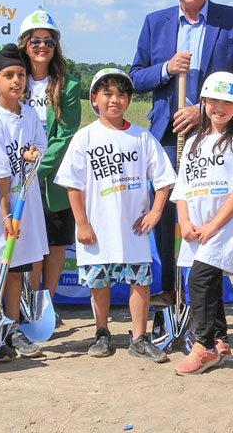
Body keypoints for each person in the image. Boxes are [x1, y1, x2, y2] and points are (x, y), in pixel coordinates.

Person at [129, 0, 233, 305]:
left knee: (210, 208)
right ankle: (170, 288)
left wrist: (204, 111)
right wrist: (167, 69)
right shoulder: (155, 23)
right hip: (169, 136)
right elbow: (135, 77)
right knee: (171, 210)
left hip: (215, 133)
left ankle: (203, 291)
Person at [55, 68, 175, 363]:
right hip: (97, 228)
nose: (115, 100)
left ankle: (138, 337)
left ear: (130, 99)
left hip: (133, 230)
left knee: (140, 282)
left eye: (122, 94)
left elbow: (164, 180)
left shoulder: (142, 138)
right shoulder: (85, 137)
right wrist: (81, 222)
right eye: (107, 93)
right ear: (94, 98)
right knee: (100, 282)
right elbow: (73, 184)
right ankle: (101, 332)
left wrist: (157, 211)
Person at [172, 72, 233, 374]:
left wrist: (213, 226)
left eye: (228, 102)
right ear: (203, 102)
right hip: (195, 229)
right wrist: (184, 220)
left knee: (198, 281)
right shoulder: (193, 143)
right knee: (207, 284)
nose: (219, 107)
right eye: (213, 101)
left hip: (225, 228)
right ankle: (221, 339)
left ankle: (204, 346)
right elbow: (183, 187)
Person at [0, 45, 50, 362]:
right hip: (1, 207)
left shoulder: (30, 114)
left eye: (21, 75)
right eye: (9, 75)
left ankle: (12, 325)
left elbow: (40, 148)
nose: (16, 81)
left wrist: (34, 153)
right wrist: (6, 214)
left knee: (16, 269)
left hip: (26, 204)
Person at [17, 10, 81, 310]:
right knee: (29, 244)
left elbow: (66, 135)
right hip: (18, 176)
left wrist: (37, 168)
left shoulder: (68, 86)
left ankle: (47, 304)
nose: (42, 46)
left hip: (53, 179)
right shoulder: (14, 80)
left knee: (55, 244)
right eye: (35, 41)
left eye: (49, 41)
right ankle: (28, 302)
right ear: (24, 45)